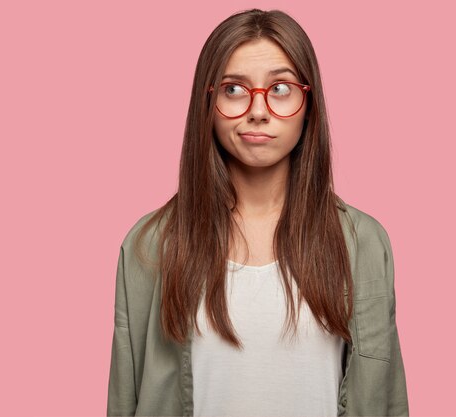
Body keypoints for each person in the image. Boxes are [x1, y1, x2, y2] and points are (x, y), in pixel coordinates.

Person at [107, 8, 408, 417]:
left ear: (309, 104)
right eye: (234, 89)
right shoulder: (150, 245)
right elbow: (125, 399)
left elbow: (386, 401)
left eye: (281, 88)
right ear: (208, 102)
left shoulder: (365, 242)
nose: (258, 110)